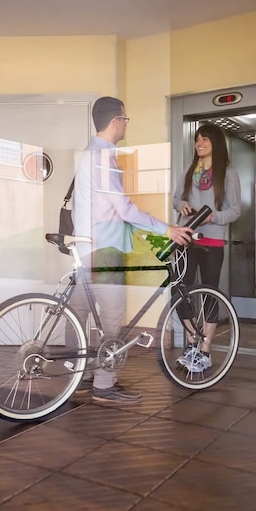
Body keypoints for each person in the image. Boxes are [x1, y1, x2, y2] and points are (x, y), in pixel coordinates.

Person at [72, 96, 193, 405]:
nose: (126, 124)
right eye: (125, 119)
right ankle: (104, 384)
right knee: (112, 315)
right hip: (106, 247)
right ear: (115, 122)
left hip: (85, 244)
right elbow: (123, 209)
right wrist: (166, 229)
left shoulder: (87, 155)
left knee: (79, 312)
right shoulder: (103, 157)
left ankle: (78, 375)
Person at [173, 122, 241, 373]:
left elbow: (235, 210)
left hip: (212, 241)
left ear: (215, 144)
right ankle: (192, 342)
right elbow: (176, 197)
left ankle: (205, 351)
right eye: (197, 139)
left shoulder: (228, 173)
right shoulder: (190, 170)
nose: (199, 143)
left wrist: (214, 217)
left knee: (210, 293)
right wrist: (181, 206)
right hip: (187, 238)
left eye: (205, 140)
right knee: (179, 290)